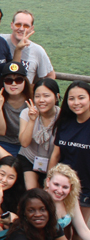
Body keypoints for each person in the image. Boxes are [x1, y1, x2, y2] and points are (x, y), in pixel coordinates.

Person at [50, 81, 90, 223]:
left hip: (86, 188)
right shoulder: (65, 122)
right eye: (71, 98)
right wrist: (49, 181)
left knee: (80, 229)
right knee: (61, 226)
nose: (76, 102)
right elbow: (56, 155)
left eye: (81, 97)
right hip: (62, 186)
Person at [19, 78, 60, 189]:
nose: (41, 100)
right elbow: (24, 143)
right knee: (31, 190)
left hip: (54, 161)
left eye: (46, 96)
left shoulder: (62, 117)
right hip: (29, 159)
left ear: (57, 97)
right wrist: (32, 120)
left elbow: (57, 153)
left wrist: (49, 178)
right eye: (37, 96)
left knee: (49, 191)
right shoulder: (26, 113)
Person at [0, 61, 32, 157]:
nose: (14, 84)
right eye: (8, 81)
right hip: (4, 143)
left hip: (28, 143)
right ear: (3, 82)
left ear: (25, 82)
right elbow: (1, 132)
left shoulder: (32, 101)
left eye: (19, 80)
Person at [1, 10, 56, 84]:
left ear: (31, 29)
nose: (21, 29)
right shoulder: (0, 41)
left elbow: (50, 75)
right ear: (12, 25)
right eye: (18, 24)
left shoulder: (38, 51)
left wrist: (37, 90)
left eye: (26, 26)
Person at [45, 164, 90, 240]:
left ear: (71, 188)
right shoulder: (40, 200)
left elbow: (83, 230)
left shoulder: (72, 199)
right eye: (56, 184)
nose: (60, 190)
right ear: (48, 182)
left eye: (65, 187)